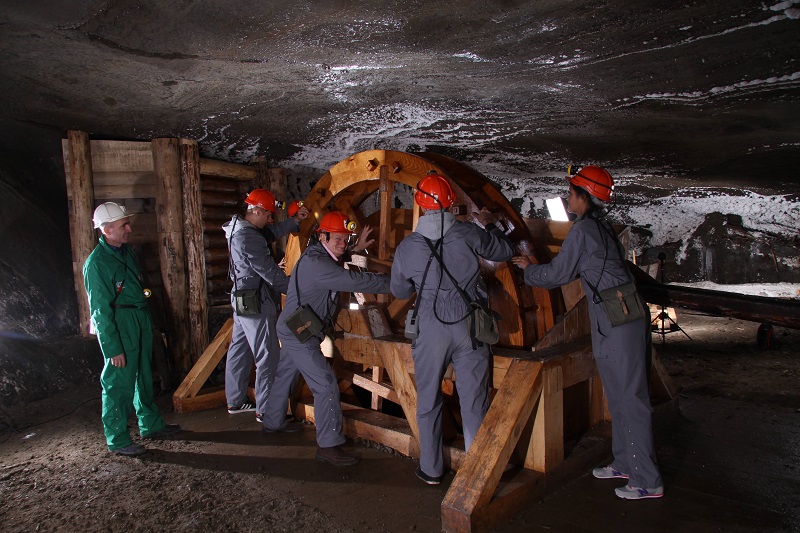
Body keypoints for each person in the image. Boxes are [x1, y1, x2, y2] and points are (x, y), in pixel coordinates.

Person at [511, 165, 664, 500]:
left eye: (571, 193)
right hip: (613, 317)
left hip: (619, 320)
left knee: (631, 399)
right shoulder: (599, 226)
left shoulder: (583, 232)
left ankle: (647, 479)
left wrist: (529, 270)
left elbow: (558, 274)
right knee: (618, 394)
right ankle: (626, 461)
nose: (568, 198)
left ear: (584, 198)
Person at [390, 174, 514, 485]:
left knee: (429, 398)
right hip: (469, 322)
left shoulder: (408, 247)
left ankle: (431, 469)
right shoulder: (469, 233)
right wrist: (486, 224)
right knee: (474, 399)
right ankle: (476, 472)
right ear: (449, 203)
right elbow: (503, 252)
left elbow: (401, 292)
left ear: (419, 204)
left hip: (431, 326)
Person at [262, 211, 390, 466]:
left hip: (295, 328)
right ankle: (329, 446)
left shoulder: (317, 254)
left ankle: (272, 421)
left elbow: (337, 258)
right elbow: (355, 280)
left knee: (286, 374)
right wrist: (397, 282)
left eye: (346, 239)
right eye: (338, 239)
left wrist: (355, 248)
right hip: (300, 335)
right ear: (323, 236)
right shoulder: (318, 264)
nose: (342, 244)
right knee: (326, 383)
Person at [83, 202, 181, 456]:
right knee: (118, 382)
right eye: (122, 225)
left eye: (127, 223)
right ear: (106, 230)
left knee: (144, 376)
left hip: (139, 317)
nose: (129, 228)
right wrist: (113, 347)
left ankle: (150, 424)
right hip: (120, 322)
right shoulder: (96, 264)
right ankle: (117, 439)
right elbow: (100, 312)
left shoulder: (126, 252)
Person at [223, 189, 309, 421]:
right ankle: (267, 410)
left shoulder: (239, 229)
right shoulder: (249, 236)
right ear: (257, 210)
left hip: (241, 298)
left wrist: (293, 222)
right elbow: (270, 273)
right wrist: (296, 289)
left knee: (239, 350)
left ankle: (235, 401)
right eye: (269, 215)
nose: (271, 220)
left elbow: (269, 233)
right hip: (256, 301)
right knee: (268, 355)